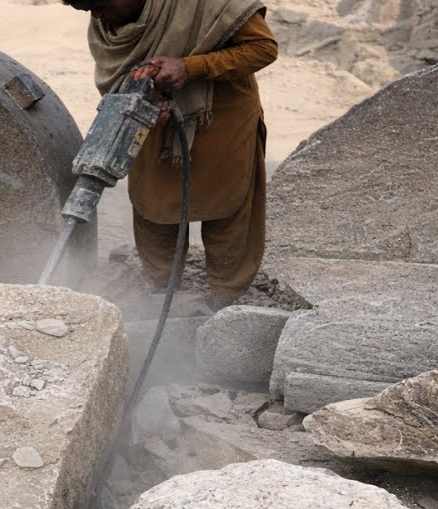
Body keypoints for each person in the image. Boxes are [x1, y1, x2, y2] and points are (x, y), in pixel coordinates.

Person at [62, 0, 278, 309]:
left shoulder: (206, 4)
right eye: (87, 10)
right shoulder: (109, 17)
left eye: (101, 5)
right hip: (154, 123)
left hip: (220, 119)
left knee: (226, 208)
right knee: (154, 208)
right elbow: (118, 75)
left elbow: (263, 48)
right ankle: (162, 293)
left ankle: (226, 300)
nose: (97, 17)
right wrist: (146, 101)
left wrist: (190, 68)